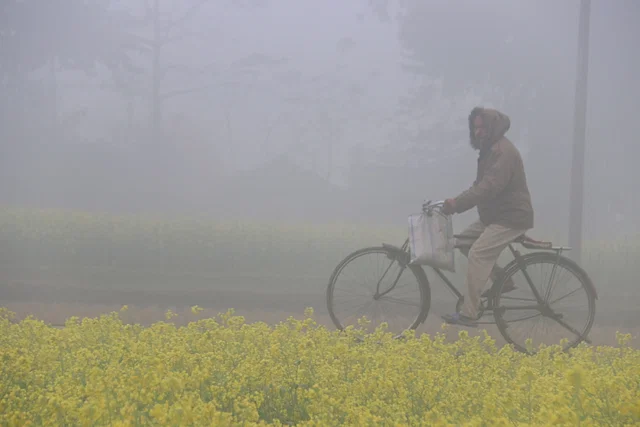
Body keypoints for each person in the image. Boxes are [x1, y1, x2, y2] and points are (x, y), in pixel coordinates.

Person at [440, 107, 534, 327]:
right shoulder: (489, 151)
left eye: (482, 127)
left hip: (510, 217)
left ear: (492, 128)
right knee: (461, 242)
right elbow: (479, 186)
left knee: (478, 254)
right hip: (495, 216)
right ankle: (502, 280)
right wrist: (455, 201)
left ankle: (469, 313)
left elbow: (488, 188)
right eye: (475, 128)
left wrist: (457, 204)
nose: (478, 132)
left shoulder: (503, 152)